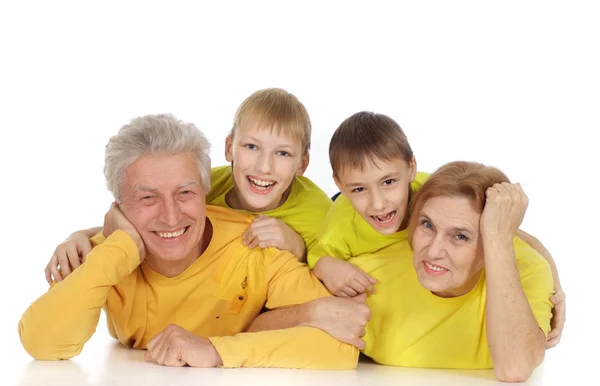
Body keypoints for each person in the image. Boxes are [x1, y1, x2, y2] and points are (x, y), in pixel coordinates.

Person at [18, 114, 361, 369]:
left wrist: (214, 351)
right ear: (118, 205)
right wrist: (118, 251)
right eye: (148, 198)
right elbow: (42, 342)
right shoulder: (108, 252)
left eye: (185, 192)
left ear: (206, 191)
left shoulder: (257, 246)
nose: (170, 216)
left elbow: (342, 344)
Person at [306, 111, 565, 347]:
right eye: (359, 189)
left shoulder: (431, 196)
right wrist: (327, 265)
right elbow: (312, 259)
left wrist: (556, 288)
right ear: (340, 183)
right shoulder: (340, 225)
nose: (378, 203)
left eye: (388, 182)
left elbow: (518, 237)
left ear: (411, 169)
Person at [44, 88, 331, 285]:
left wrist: (299, 248)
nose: (264, 167)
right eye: (252, 146)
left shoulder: (318, 213)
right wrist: (79, 236)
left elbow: (338, 277)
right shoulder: (208, 184)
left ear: (302, 165)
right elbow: (157, 221)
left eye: (283, 153)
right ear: (230, 148)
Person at [351, 161, 554, 381]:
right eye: (427, 225)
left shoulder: (528, 271)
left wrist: (498, 240)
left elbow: (515, 368)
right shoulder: (364, 276)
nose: (434, 251)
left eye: (460, 236)